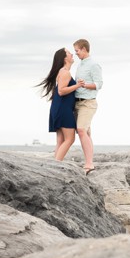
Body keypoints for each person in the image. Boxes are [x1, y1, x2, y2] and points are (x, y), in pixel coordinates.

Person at [37, 47, 80, 161]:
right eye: (69, 53)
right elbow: (61, 91)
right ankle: (57, 164)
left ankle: (55, 164)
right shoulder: (65, 72)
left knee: (60, 141)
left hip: (58, 108)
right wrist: (77, 85)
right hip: (63, 109)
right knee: (70, 139)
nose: (72, 54)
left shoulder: (62, 72)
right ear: (65, 58)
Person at [73, 38, 103, 175]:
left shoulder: (94, 65)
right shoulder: (80, 65)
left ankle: (89, 164)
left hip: (88, 103)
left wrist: (84, 85)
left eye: (77, 51)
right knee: (86, 133)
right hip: (77, 102)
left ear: (84, 49)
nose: (76, 54)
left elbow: (99, 84)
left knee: (81, 130)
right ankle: (90, 161)